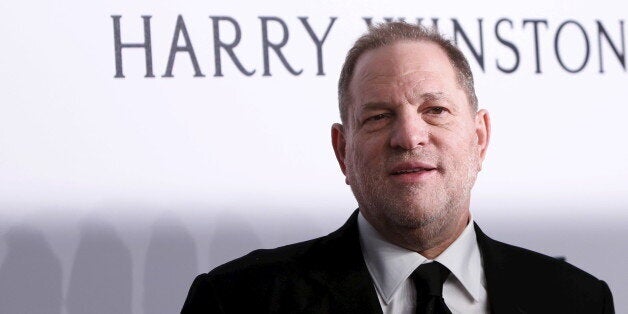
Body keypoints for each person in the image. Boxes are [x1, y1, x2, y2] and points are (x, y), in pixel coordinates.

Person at [181, 22, 614, 313]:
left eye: (436, 110)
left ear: (479, 138)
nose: (409, 137)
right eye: (378, 116)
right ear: (342, 150)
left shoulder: (577, 300)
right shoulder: (236, 301)